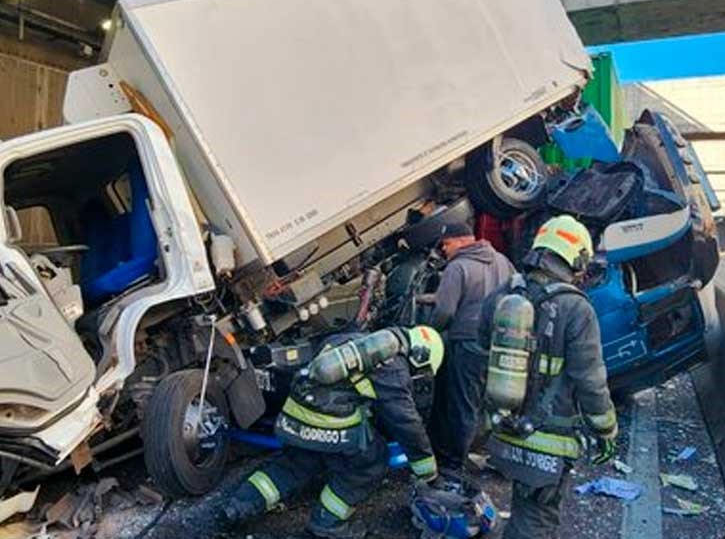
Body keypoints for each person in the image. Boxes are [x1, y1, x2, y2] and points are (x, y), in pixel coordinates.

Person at [223, 325, 445, 538]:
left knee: (296, 464)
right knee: (372, 462)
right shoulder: (393, 367)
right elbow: (406, 424)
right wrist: (427, 472)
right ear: (420, 356)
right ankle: (327, 523)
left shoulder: (354, 340)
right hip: (326, 422)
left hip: (293, 415)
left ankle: (237, 506)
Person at [481, 215, 616, 539]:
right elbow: (590, 378)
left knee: (524, 509)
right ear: (578, 258)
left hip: (504, 426)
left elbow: (480, 344)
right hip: (548, 439)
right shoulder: (576, 307)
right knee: (536, 521)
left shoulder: (507, 293)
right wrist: (606, 428)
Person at [428, 221, 515, 473]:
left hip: (467, 343)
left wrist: (431, 332)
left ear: (462, 240)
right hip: (498, 343)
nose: (444, 250)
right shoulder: (502, 261)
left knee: (462, 403)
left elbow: (444, 310)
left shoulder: (457, 267)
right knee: (491, 400)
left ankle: (454, 463)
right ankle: (488, 451)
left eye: (446, 244)